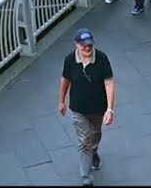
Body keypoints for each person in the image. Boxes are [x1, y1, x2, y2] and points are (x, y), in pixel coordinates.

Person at [58, 29, 115, 187]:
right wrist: (61, 101)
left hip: (98, 108)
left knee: (95, 134)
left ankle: (94, 151)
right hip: (78, 108)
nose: (88, 49)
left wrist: (110, 108)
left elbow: (109, 83)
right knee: (84, 141)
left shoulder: (102, 58)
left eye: (90, 45)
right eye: (84, 46)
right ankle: (86, 178)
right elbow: (65, 80)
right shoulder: (70, 60)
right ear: (76, 45)